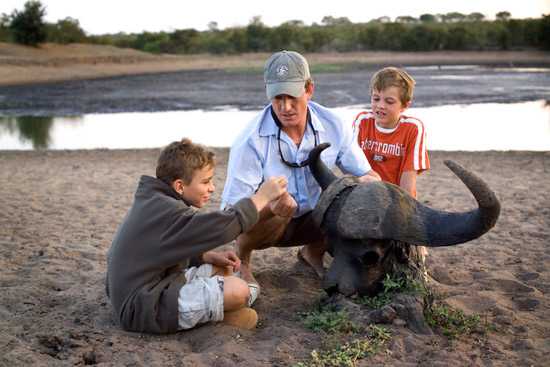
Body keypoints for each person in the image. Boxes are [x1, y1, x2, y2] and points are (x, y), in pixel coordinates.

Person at [221, 50, 380, 288]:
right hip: (268, 226)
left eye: (293, 96)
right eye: (278, 98)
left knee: (354, 195)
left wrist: (367, 182)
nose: (285, 107)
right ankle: (243, 260)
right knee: (267, 209)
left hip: (315, 221)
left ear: (309, 89)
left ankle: (312, 252)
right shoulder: (249, 140)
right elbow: (230, 212)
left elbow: (368, 174)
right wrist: (269, 205)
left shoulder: (334, 124)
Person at [105, 138, 287, 334]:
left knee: (222, 268)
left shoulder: (156, 202)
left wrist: (204, 257)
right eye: (206, 182)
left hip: (151, 286)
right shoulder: (168, 211)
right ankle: (235, 305)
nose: (212, 188)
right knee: (240, 290)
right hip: (141, 306)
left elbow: (162, 249)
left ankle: (221, 314)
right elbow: (223, 228)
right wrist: (262, 197)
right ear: (180, 186)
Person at [352, 66, 430, 258]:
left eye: (389, 101)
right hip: (365, 196)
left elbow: (408, 182)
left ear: (405, 105)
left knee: (408, 253)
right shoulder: (362, 121)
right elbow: (353, 166)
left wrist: (408, 225)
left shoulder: (413, 128)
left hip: (396, 199)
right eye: (375, 98)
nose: (380, 106)